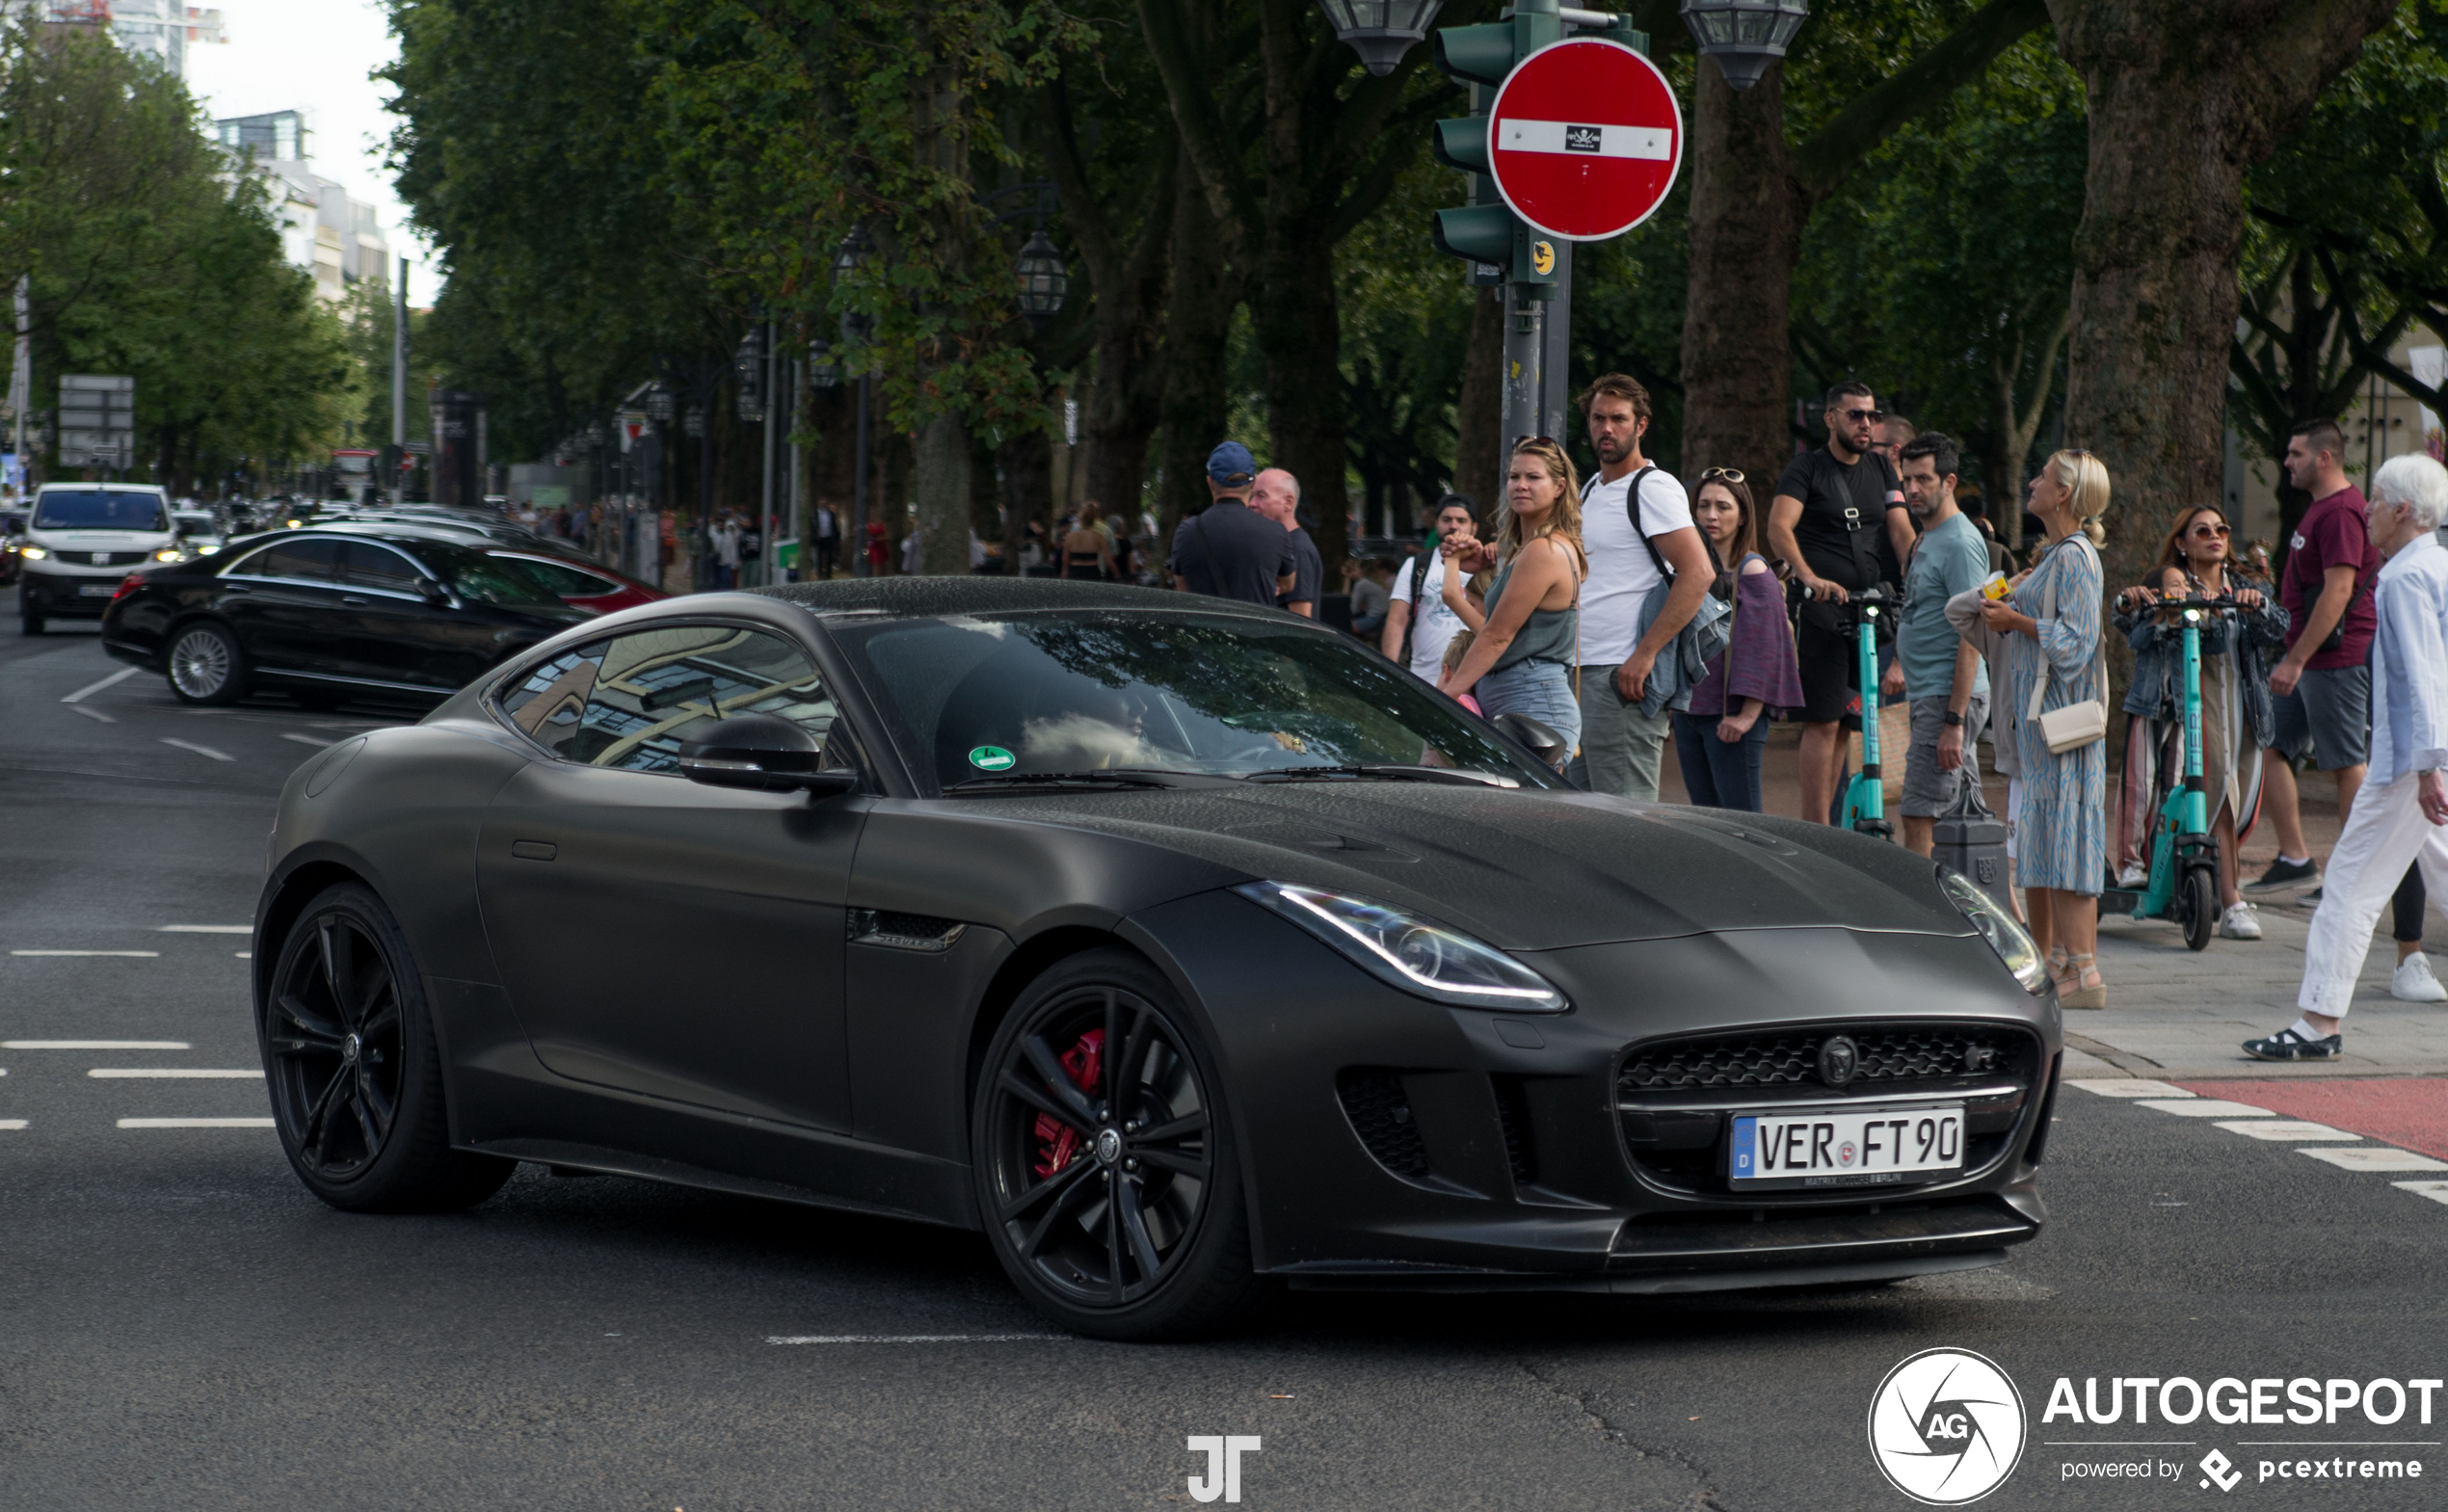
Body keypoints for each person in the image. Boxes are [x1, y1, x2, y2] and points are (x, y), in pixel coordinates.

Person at [2250, 454, 2448, 1060]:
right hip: (2423, 757)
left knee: (2349, 888)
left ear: (2403, 511)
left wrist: (2425, 764)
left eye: (2378, 499)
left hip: (2407, 763)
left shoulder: (2405, 578)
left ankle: (2318, 1022)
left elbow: (2421, 678)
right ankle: (2318, 1020)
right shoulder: (2436, 566)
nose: (2366, 509)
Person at [2113, 505, 2287, 940]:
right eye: (2203, 530)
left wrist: (2256, 605)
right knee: (2215, 798)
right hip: (2193, 704)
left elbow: (2279, 627)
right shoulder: (2171, 584)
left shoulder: (2245, 585)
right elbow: (2131, 624)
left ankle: (2207, 884)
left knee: (2239, 798)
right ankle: (2230, 899)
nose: (2215, 536)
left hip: (2243, 706)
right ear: (2182, 542)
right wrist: (2139, 602)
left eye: (2222, 529)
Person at [1981, 449, 2112, 1007]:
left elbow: (2077, 644)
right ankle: (2060, 961)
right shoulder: (2057, 555)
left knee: (2069, 843)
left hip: (2063, 724)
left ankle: (2084, 972)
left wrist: (2017, 620)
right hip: (2043, 727)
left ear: (2063, 494)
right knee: (2048, 843)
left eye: (2041, 477)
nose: (2031, 482)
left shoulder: (2077, 558)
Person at [1771, 382, 1916, 826]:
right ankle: (1816, 827)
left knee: (1850, 723)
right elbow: (1779, 526)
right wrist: (1808, 577)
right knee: (1823, 719)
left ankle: (1835, 823)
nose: (1866, 424)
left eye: (1871, 416)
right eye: (1855, 415)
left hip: (1868, 609)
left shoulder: (1881, 469)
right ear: (1831, 418)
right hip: (1822, 609)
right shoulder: (1806, 469)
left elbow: (1900, 531)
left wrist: (1921, 579)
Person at [2246, 418, 2379, 896]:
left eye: (2296, 454)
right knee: (2273, 743)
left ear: (2324, 458)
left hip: (2334, 658)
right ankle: (2296, 858)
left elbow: (2339, 590)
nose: (2287, 462)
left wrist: (2296, 659)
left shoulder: (2342, 512)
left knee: (2346, 763)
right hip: (2310, 658)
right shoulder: (2320, 509)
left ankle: (2350, 875)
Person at [1569, 374, 1714, 801]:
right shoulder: (1590, 489)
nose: (1606, 429)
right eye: (1598, 418)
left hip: (1621, 677)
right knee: (1582, 822)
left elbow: (1698, 573)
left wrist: (1644, 654)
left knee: (1627, 827)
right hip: (1579, 674)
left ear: (1641, 425)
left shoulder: (1652, 487)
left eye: (1618, 418)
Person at [1876, 434, 1993, 857]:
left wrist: (1953, 721)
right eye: (1907, 479)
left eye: (1923, 479)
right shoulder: (1928, 535)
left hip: (1948, 696)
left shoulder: (1960, 543)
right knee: (1968, 816)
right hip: (1932, 692)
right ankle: (2007, 916)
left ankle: (1920, 917)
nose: (1912, 489)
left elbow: (1973, 635)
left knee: (1919, 814)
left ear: (1949, 482)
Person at [1440, 438, 1587, 764]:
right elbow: (1495, 631)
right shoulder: (1530, 549)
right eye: (1514, 476)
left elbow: (1497, 636)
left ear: (1560, 486)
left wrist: (1447, 695)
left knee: (1527, 814)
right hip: (1521, 699)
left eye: (1534, 477)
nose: (1521, 485)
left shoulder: (1543, 550)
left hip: (1533, 702)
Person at [1673, 470, 1802, 810]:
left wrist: (1747, 716)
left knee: (1744, 824)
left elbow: (1766, 649)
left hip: (1730, 718)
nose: (1711, 515)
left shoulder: (1753, 570)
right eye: (1703, 506)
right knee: (1708, 823)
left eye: (1722, 506)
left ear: (1743, 514)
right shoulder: (1689, 568)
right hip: (1690, 713)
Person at [1169, 442, 1296, 607]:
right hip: (1255, 631)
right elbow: (1287, 585)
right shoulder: (1276, 532)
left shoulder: (1186, 532)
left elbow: (1183, 588)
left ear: (1210, 482)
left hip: (1204, 631)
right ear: (1253, 483)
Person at [1383, 496, 1478, 682]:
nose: (1453, 526)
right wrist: (1391, 672)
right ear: (1436, 525)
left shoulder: (1486, 567)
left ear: (1474, 528)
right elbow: (1397, 620)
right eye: (1446, 519)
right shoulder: (1416, 565)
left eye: (1461, 521)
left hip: (1472, 679)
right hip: (1423, 677)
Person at [1251, 467, 1320, 618]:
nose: (1252, 503)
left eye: (1261, 496)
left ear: (1288, 502)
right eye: (1252, 496)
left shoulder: (1297, 549)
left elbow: (1301, 619)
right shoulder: (1281, 543)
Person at [1346, 557, 1392, 641]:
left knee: (1343, 626)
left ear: (1361, 570)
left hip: (1374, 619)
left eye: (1353, 569)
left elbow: (1353, 610)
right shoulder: (1371, 582)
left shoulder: (1361, 584)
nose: (1352, 572)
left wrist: (1347, 578)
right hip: (1383, 617)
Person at [1059, 510, 1111, 579]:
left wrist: (1064, 572)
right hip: (1092, 571)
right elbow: (1107, 559)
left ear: (1081, 520)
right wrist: (1116, 574)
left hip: (1075, 571)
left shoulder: (1070, 537)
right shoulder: (1099, 537)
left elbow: (1065, 558)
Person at [711, 512, 743, 590]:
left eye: (722, 524)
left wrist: (733, 563)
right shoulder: (714, 535)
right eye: (719, 524)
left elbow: (732, 549)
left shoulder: (729, 535)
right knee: (716, 580)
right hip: (716, 562)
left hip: (726, 562)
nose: (721, 526)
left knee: (726, 580)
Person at [813, 500, 840, 578]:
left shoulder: (830, 514)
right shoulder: (815, 514)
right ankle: (820, 574)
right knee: (819, 557)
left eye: (824, 503)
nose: (823, 505)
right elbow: (813, 525)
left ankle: (828, 574)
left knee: (829, 556)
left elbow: (834, 526)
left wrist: (836, 537)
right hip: (819, 538)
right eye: (821, 503)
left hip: (828, 537)